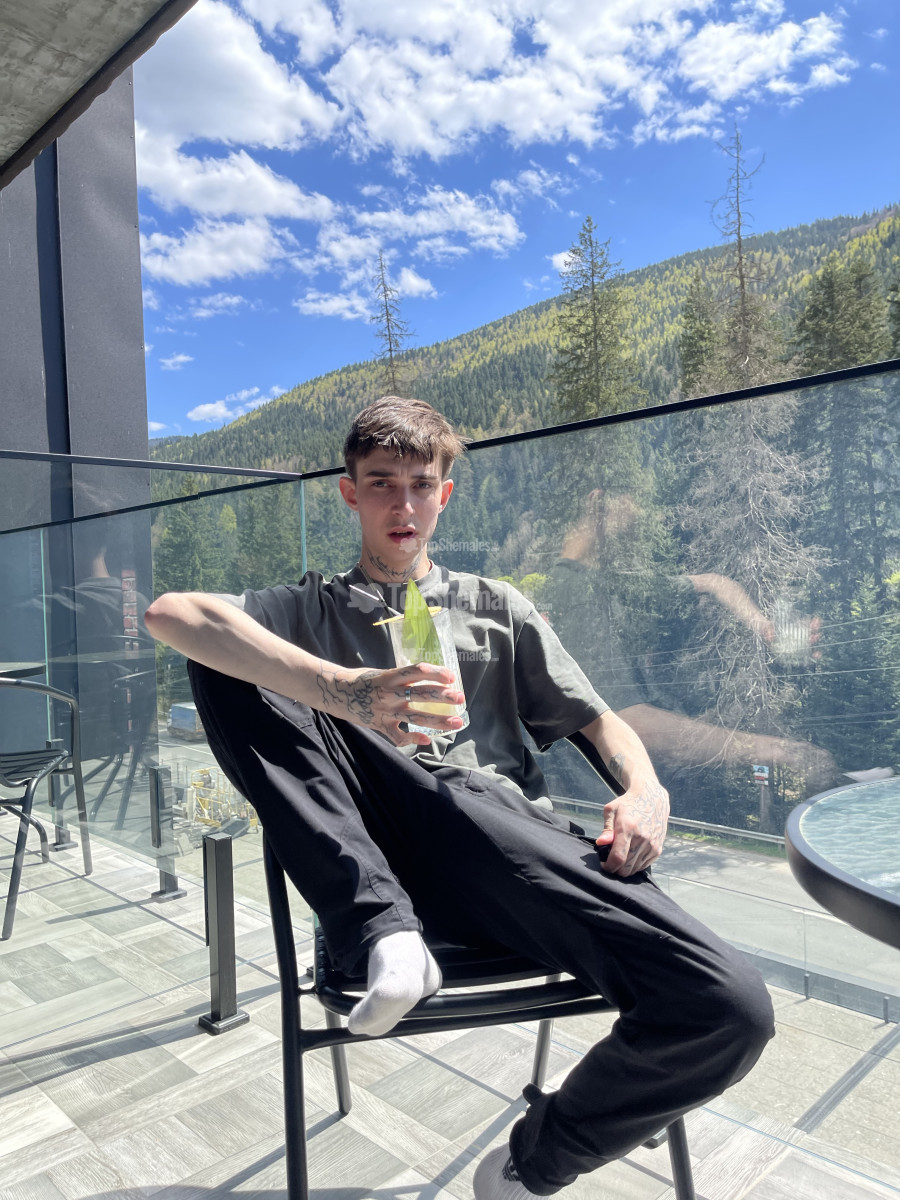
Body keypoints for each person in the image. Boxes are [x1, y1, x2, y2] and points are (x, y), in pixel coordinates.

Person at [145, 397, 774, 1199]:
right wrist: (345, 690)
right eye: (381, 483)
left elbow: (598, 720)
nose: (402, 505)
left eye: (420, 485)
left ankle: (530, 1164)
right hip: (368, 846)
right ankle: (384, 932)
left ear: (444, 496)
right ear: (350, 494)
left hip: (502, 849)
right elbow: (170, 613)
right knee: (221, 652)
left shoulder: (496, 606)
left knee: (729, 1005)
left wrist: (646, 789)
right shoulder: (310, 608)